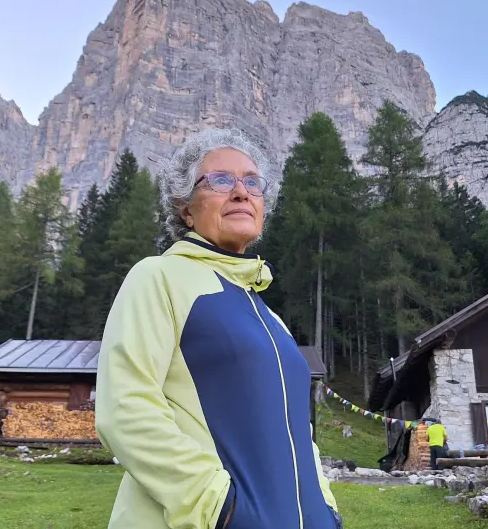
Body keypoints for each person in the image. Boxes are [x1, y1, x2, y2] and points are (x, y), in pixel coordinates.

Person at [95, 128, 342, 529]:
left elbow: (299, 431)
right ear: (185, 208)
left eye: (252, 182)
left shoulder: (273, 319)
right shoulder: (158, 277)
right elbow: (125, 408)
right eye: (221, 180)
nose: (242, 192)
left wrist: (326, 509)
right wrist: (220, 509)